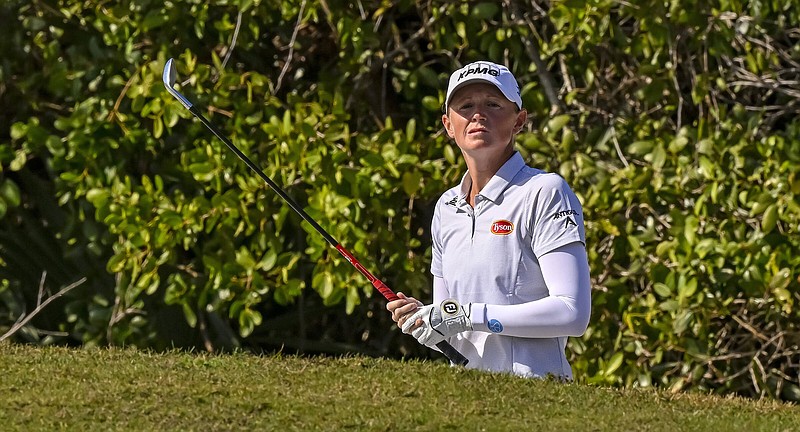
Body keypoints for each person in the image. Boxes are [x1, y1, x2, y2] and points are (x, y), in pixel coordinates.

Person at [387, 61, 591, 380]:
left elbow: (572, 314)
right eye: (466, 106)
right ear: (448, 125)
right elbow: (455, 330)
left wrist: (468, 315)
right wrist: (427, 321)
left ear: (519, 121)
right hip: (466, 397)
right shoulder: (446, 208)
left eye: (493, 104)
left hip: (538, 393)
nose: (478, 114)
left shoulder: (545, 191)